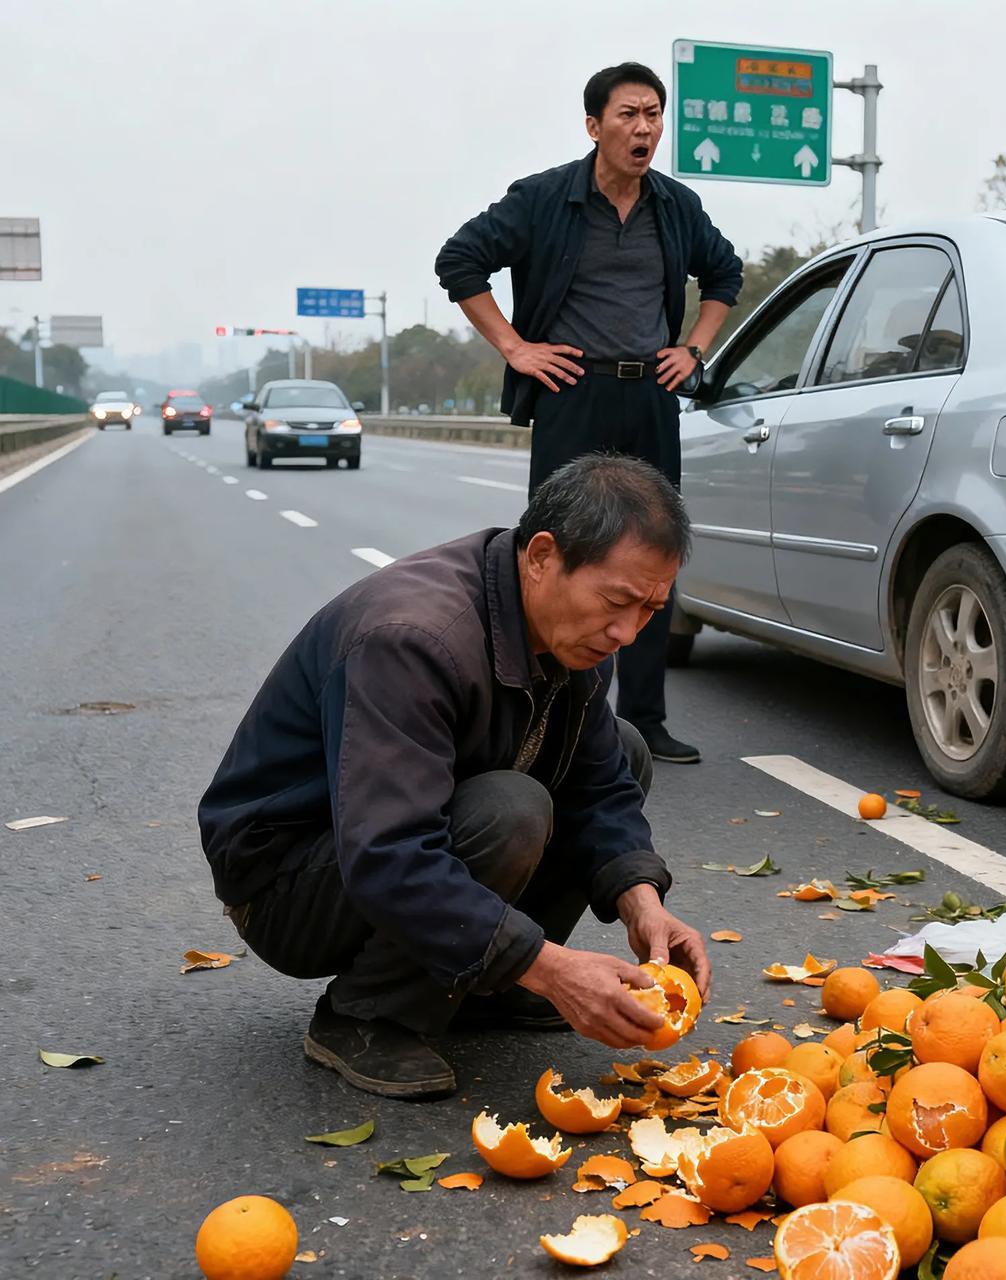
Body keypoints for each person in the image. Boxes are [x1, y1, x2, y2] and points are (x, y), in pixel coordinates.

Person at [197, 456, 710, 1100]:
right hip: (291, 882)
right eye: (616, 602)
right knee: (511, 809)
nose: (627, 632)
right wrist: (551, 968)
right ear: (542, 556)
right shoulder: (412, 640)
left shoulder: (573, 630)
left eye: (650, 610)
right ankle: (366, 1015)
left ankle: (481, 985)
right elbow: (389, 851)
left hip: (384, 841)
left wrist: (642, 901)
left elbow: (599, 779)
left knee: (625, 748)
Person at [435, 60, 743, 765]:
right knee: (561, 552)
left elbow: (724, 273)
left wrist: (691, 349)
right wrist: (515, 346)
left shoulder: (676, 206)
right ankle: (550, 713)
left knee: (652, 548)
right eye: (629, 115)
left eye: (654, 114)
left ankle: (644, 719)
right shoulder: (545, 199)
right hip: (573, 393)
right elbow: (459, 262)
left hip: (650, 396)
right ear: (594, 126)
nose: (644, 128)